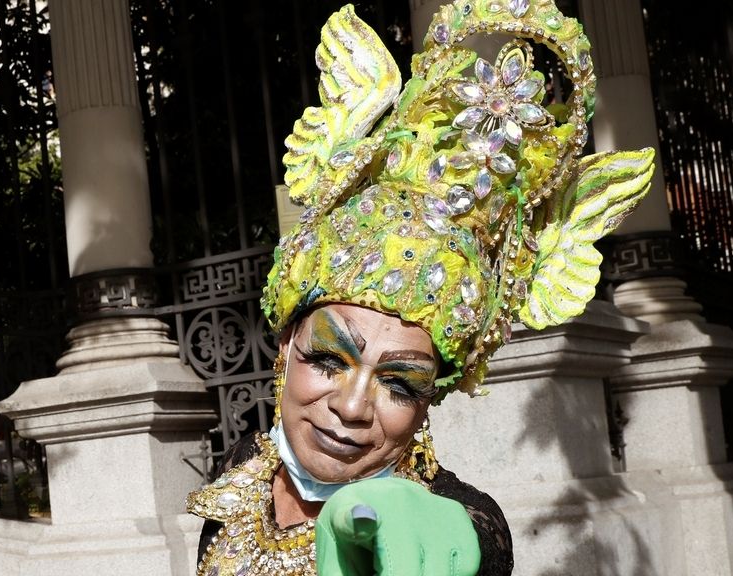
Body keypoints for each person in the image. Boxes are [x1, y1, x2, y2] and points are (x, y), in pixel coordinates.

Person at [187, 1, 656, 575]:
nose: (352, 407)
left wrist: (419, 532)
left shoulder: (457, 517)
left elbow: (460, 543)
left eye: (400, 384)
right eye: (329, 359)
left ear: (430, 399)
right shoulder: (245, 469)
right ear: (284, 348)